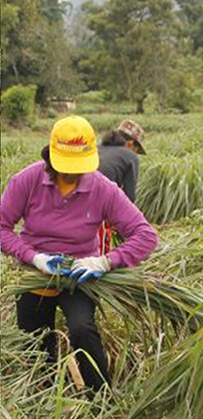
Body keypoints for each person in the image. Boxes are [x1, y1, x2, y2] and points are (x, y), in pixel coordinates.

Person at [1, 116, 159, 393]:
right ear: (51, 156)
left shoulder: (101, 188)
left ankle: (101, 401)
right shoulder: (27, 180)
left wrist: (104, 261)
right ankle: (45, 395)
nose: (73, 174)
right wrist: (33, 257)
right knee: (36, 340)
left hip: (79, 274)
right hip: (36, 274)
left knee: (82, 330)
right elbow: (2, 226)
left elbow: (145, 235)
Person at [98, 119, 146, 252]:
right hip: (98, 204)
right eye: (137, 149)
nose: (136, 153)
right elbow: (129, 197)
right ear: (131, 144)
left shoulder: (97, 148)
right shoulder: (130, 156)